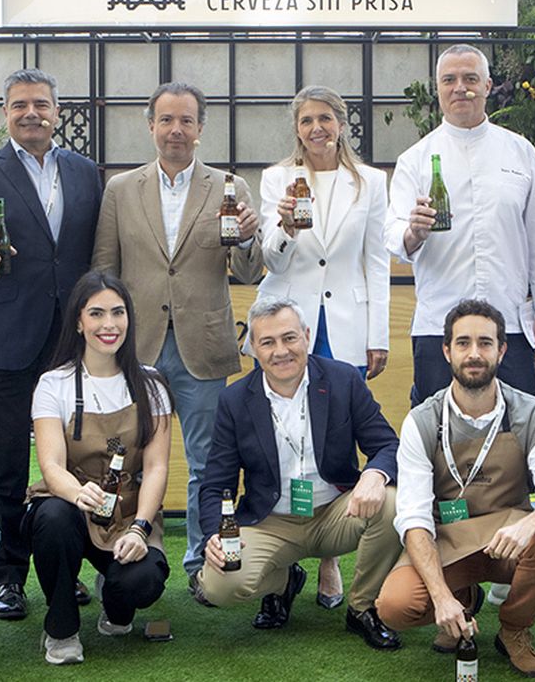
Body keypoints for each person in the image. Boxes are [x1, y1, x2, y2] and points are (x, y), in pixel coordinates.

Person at [93, 81, 265, 600]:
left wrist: (251, 235)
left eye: (186, 120)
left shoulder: (228, 187)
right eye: (166, 120)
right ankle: (123, 550)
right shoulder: (120, 190)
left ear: (200, 128)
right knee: (124, 457)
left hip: (202, 344)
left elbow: (249, 270)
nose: (176, 130)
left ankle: (200, 558)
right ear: (150, 126)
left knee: (207, 460)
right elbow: (104, 269)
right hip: (134, 345)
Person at [0, 69, 103, 621]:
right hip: (4, 340)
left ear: (57, 110)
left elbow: (95, 249)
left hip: (71, 343)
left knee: (74, 462)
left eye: (40, 104)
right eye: (20, 105)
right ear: (5, 113)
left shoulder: (87, 173)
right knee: (2, 466)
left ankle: (64, 569)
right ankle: (10, 576)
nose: (31, 114)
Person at [375, 299, 535, 678]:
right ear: (447, 350)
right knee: (396, 606)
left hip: (509, 535)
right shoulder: (422, 420)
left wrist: (528, 525)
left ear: (501, 350)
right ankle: (460, 601)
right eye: (463, 343)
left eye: (485, 343)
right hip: (446, 539)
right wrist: (440, 597)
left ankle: (514, 628)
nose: (474, 353)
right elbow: (413, 516)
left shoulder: (529, 412)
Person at [197, 299, 403, 651]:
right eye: (268, 342)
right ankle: (283, 582)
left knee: (392, 502)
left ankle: (362, 607)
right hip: (272, 520)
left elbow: (387, 445)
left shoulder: (343, 380)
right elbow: (216, 483)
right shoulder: (234, 401)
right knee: (219, 586)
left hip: (338, 512)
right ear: (253, 350)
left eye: (289, 338)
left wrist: (376, 474)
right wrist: (213, 536)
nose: (281, 351)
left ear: (307, 336)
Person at [256, 85, 390, 609]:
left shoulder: (372, 182)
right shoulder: (276, 180)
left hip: (346, 324)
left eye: (326, 119)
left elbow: (376, 261)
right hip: (290, 319)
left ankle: (331, 555)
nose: (317, 128)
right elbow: (272, 257)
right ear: (297, 127)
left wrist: (378, 333)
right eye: (308, 120)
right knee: (284, 438)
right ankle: (284, 556)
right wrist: (285, 228)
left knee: (334, 438)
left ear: (342, 124)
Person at [387, 43, 535, 407]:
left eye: (470, 78)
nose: (459, 87)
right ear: (437, 88)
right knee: (438, 433)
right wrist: (414, 231)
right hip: (439, 327)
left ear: (487, 85)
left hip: (509, 323)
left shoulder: (521, 152)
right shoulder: (414, 160)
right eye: (449, 79)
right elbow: (394, 237)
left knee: (515, 434)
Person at [27, 272, 172, 665]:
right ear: (78, 321)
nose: (109, 325)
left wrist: (142, 528)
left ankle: (115, 601)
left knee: (142, 582)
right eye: (96, 314)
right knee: (51, 518)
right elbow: (51, 464)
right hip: (75, 509)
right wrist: (76, 493)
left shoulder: (152, 384)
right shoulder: (53, 384)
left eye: (117, 313)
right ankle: (62, 628)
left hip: (128, 515)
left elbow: (157, 468)